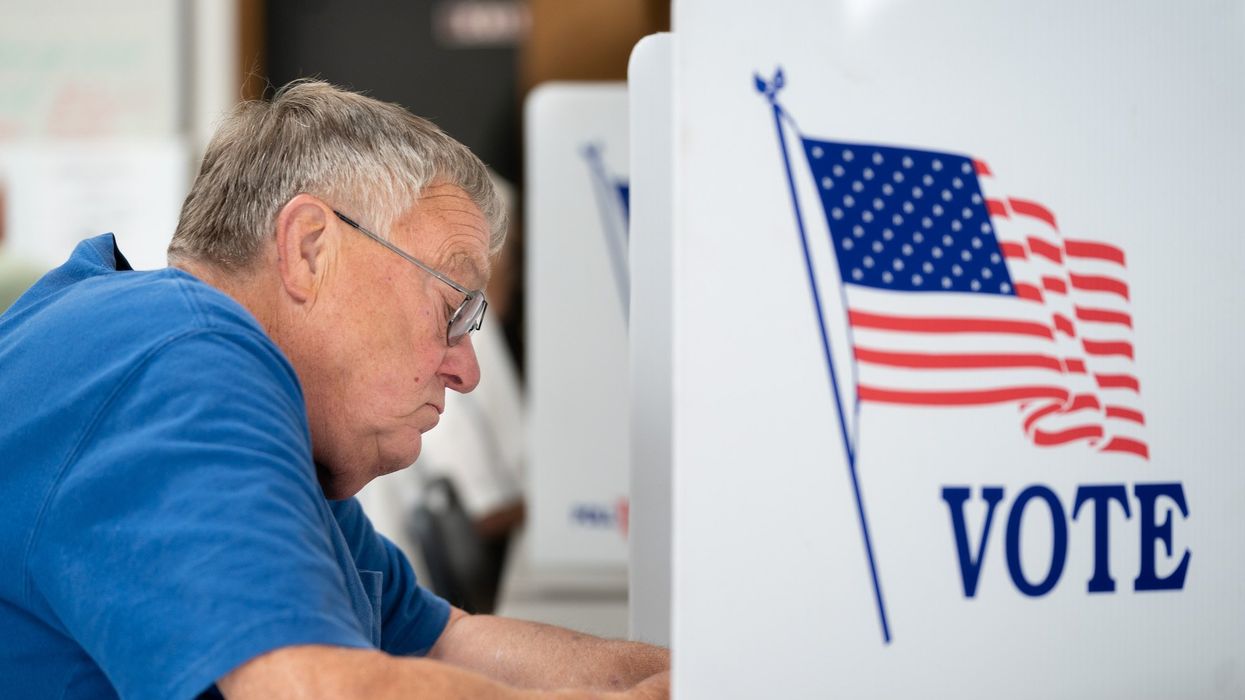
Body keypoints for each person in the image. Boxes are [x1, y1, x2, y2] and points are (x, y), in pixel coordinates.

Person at [0, 81, 668, 700]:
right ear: (310, 248)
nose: (467, 371)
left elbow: (443, 643)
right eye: (451, 310)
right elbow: (311, 687)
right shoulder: (182, 357)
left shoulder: (235, 401)